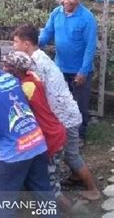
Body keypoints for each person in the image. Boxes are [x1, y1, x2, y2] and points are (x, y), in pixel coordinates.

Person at [12, 24, 101, 201]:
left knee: (71, 155)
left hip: (64, 118)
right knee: (70, 153)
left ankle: (93, 190)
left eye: (16, 42)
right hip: (67, 113)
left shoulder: (35, 64)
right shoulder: (40, 57)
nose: (14, 46)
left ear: (27, 44)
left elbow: (35, 92)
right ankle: (77, 178)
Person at [0, 41, 53, 218]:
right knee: (43, 195)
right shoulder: (11, 77)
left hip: (13, 152)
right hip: (37, 142)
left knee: (4, 204)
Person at [2, 51, 70, 211]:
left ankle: (72, 211)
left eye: (7, 66)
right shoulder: (32, 76)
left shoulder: (25, 88)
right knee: (51, 180)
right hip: (56, 131)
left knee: (50, 186)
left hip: (49, 137)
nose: (4, 68)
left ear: (16, 70)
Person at [39, 0, 97, 145]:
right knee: (59, 102)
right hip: (59, 69)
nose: (66, 1)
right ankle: (61, 133)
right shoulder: (56, 14)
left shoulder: (87, 19)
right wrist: (32, 44)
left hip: (79, 71)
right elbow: (46, 34)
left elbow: (90, 48)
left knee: (79, 106)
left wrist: (83, 72)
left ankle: (79, 136)